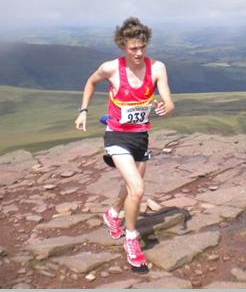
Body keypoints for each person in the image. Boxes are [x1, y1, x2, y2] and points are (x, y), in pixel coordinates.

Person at [74, 17, 175, 268]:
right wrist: (83, 110)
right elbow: (90, 82)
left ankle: (111, 214)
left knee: (130, 186)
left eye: (143, 47)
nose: (139, 53)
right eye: (133, 48)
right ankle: (132, 240)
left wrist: (166, 107)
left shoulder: (158, 68)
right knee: (138, 190)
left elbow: (169, 101)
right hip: (116, 136)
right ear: (123, 46)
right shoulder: (110, 68)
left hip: (141, 136)